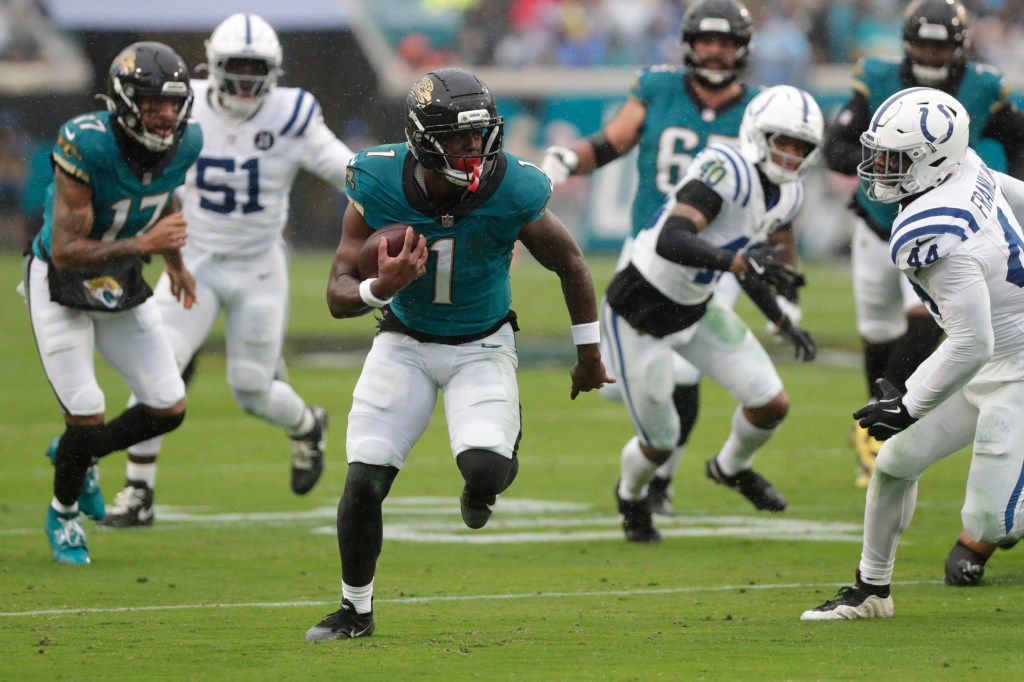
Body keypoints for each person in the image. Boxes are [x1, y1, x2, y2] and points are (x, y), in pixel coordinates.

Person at [305, 67, 613, 640]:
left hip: (482, 343)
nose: (473, 148)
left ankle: (484, 482)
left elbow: (571, 262)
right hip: (404, 339)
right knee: (365, 478)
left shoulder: (514, 186)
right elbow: (338, 295)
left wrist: (588, 354)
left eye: (479, 134)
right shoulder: (375, 180)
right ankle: (355, 609)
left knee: (486, 469)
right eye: (457, 136)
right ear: (423, 138)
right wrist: (383, 287)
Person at [541, 0, 802, 518]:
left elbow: (776, 205)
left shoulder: (758, 110)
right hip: (652, 248)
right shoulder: (658, 88)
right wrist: (570, 157)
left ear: (743, 48)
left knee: (685, 375)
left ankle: (661, 481)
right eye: (706, 39)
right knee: (649, 378)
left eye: (725, 41)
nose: (714, 49)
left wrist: (784, 296)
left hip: (715, 259)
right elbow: (614, 142)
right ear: (688, 42)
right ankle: (651, 463)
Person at [98, 14, 355, 527]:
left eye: (253, 70)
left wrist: (392, 196)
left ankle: (307, 426)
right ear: (212, 67)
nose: (243, 82)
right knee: (159, 367)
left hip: (259, 264)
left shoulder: (292, 113)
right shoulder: (182, 105)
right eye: (233, 69)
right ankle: (138, 490)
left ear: (274, 71)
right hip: (192, 259)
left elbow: (345, 168)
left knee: (252, 387)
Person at [802, 87, 1024, 621]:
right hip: (992, 359)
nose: (879, 167)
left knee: (995, 524)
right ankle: (871, 590)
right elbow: (1013, 193)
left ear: (933, 162)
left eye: (895, 160)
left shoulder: (933, 231)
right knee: (896, 462)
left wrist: (909, 404)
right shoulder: (964, 166)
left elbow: (973, 342)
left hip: (1014, 370)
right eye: (878, 153)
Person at [605, 85, 822, 543]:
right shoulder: (725, 167)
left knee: (771, 403)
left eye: (801, 146)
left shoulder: (789, 195)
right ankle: (630, 494)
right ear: (759, 135)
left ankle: (731, 468)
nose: (791, 154)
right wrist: (742, 264)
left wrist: (782, 321)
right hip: (640, 308)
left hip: (697, 308)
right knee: (660, 442)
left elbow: (746, 260)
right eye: (783, 141)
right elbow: (673, 239)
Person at [825, 0, 1024, 488]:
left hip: (939, 225)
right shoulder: (876, 77)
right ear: (906, 43)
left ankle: (890, 422)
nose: (929, 52)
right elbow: (837, 147)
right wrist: (894, 163)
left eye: (939, 43)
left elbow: (1017, 139)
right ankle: (873, 423)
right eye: (922, 42)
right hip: (877, 224)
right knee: (877, 331)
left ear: (958, 46)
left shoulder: (982, 85)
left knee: (924, 325)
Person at [21, 42, 202, 563]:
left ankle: (76, 457)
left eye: (172, 102)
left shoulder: (187, 143)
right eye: (151, 103)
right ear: (124, 101)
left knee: (168, 406)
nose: (165, 114)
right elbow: (65, 249)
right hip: (60, 281)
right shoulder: (88, 143)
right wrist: (145, 246)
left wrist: (173, 262)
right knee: (86, 412)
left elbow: (161, 193)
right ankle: (63, 512)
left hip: (120, 277)